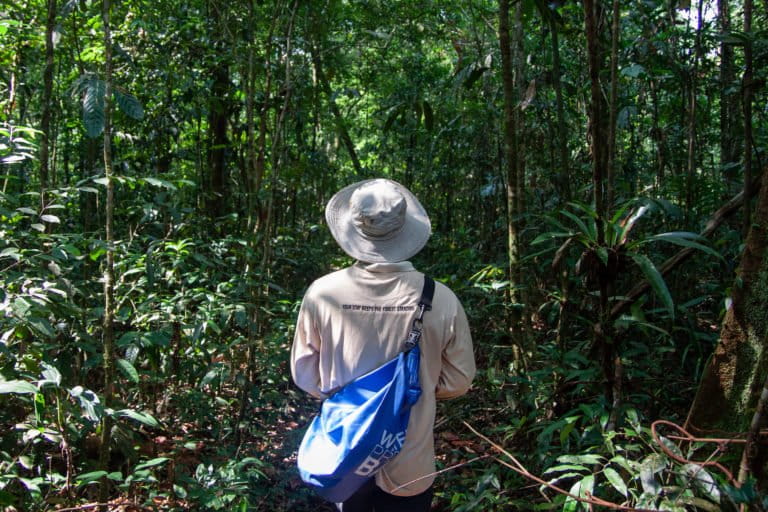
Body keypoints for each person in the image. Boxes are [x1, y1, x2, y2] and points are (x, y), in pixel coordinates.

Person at [291, 178, 476, 512]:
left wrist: (345, 391)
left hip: (347, 451)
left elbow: (305, 375)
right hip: (410, 457)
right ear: (405, 226)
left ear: (355, 228)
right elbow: (460, 380)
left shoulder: (322, 293)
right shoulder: (441, 298)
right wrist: (413, 391)